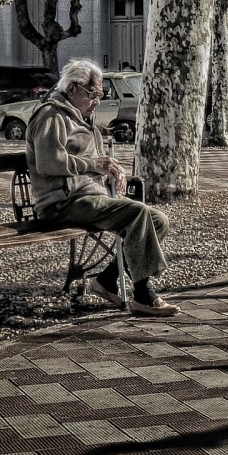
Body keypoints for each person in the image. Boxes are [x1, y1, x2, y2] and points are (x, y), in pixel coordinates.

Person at [25, 58, 179, 316]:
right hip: (62, 203)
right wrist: (94, 165)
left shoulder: (85, 120)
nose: (97, 101)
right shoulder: (51, 115)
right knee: (138, 213)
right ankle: (143, 295)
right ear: (72, 88)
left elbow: (96, 164)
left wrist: (114, 173)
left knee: (158, 219)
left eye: (100, 95)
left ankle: (106, 281)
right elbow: (48, 162)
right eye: (92, 94)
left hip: (90, 199)